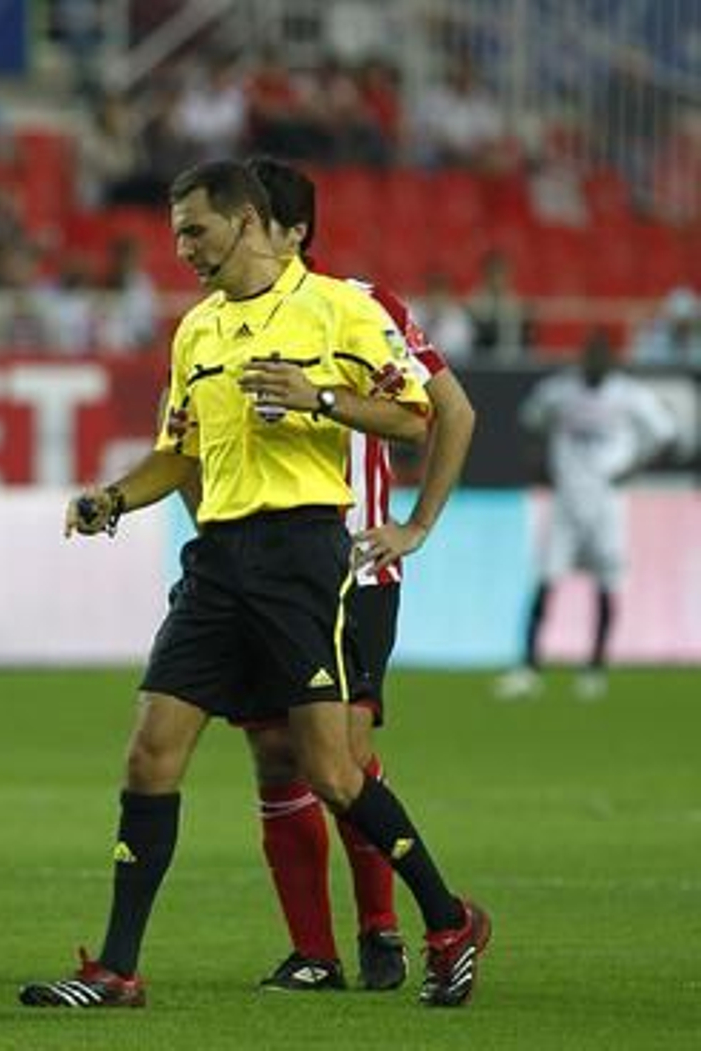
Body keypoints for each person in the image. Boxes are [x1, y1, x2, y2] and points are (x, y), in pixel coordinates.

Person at [17, 160, 490, 1010]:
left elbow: (418, 414)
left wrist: (322, 398)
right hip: (217, 559)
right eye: (177, 236)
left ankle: (449, 919)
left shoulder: (339, 307)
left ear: (245, 221)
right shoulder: (195, 330)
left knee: (333, 773)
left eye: (196, 230)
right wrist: (111, 498)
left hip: (302, 554)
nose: (184, 249)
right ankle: (117, 968)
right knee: (151, 751)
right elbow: (180, 451)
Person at [239, 157, 477, 992]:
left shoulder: (361, 305)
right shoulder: (220, 317)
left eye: (247, 218)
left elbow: (449, 410)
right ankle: (314, 952)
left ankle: (384, 926)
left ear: (292, 231)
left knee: (340, 757)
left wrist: (416, 524)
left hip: (350, 570)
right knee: (276, 755)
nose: (229, 234)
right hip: (262, 574)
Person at [494, 331, 676, 701]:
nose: (594, 365)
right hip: (566, 501)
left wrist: (634, 469)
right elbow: (532, 421)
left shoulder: (629, 396)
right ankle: (528, 666)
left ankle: (595, 667)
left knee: (607, 582)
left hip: (607, 502)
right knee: (546, 579)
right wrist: (541, 463)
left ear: (611, 361)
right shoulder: (560, 392)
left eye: (601, 358)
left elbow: (666, 434)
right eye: (589, 357)